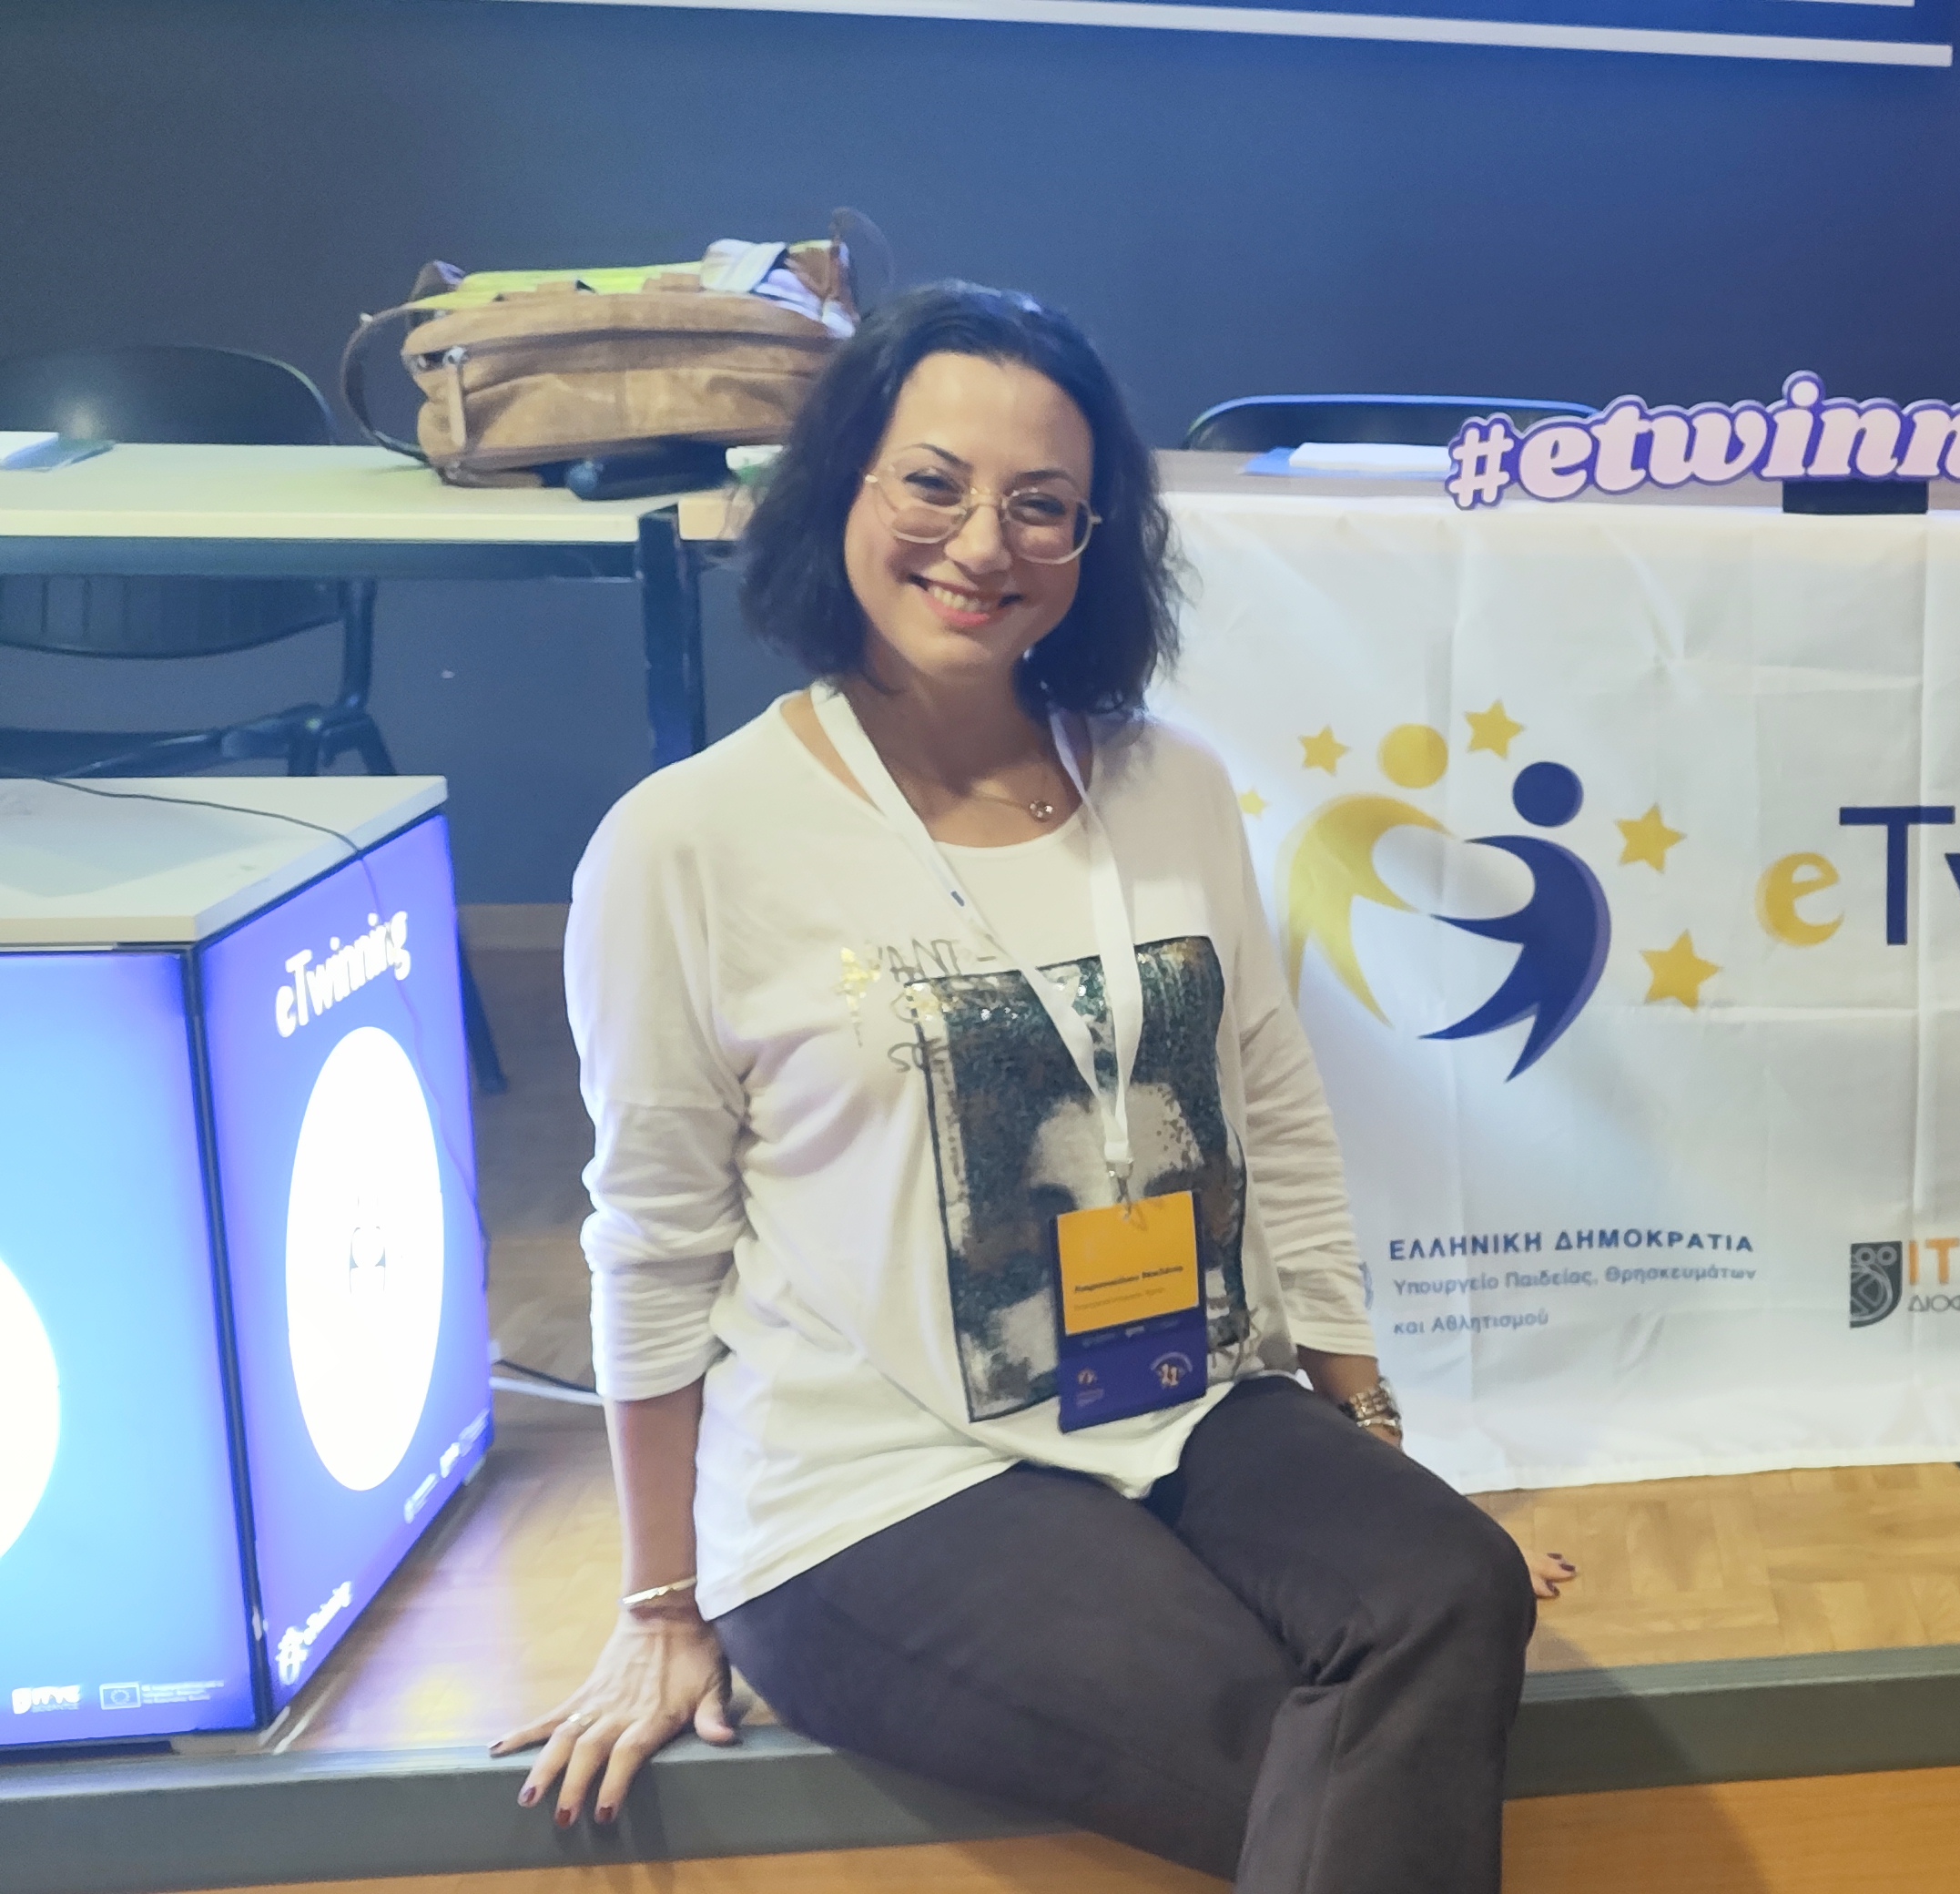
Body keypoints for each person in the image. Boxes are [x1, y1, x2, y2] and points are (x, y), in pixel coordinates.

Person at [501, 282, 1574, 1893]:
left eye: (1041, 505)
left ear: (1093, 541)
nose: (981, 542)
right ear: (843, 487)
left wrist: (1368, 1433)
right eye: (933, 483)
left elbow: (1275, 1112)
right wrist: (659, 1602)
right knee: (1292, 1731)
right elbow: (652, 1241)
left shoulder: (1171, 784)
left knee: (1452, 1587)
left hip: (1181, 1390)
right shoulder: (687, 842)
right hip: (875, 1477)